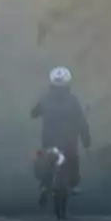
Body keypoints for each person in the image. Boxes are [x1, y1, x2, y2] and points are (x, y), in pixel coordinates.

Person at [31, 66, 91, 205]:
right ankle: (73, 185)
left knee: (45, 157)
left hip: (48, 140)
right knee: (73, 159)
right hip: (68, 141)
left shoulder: (45, 99)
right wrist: (86, 141)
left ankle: (45, 185)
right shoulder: (73, 101)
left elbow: (33, 113)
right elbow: (81, 123)